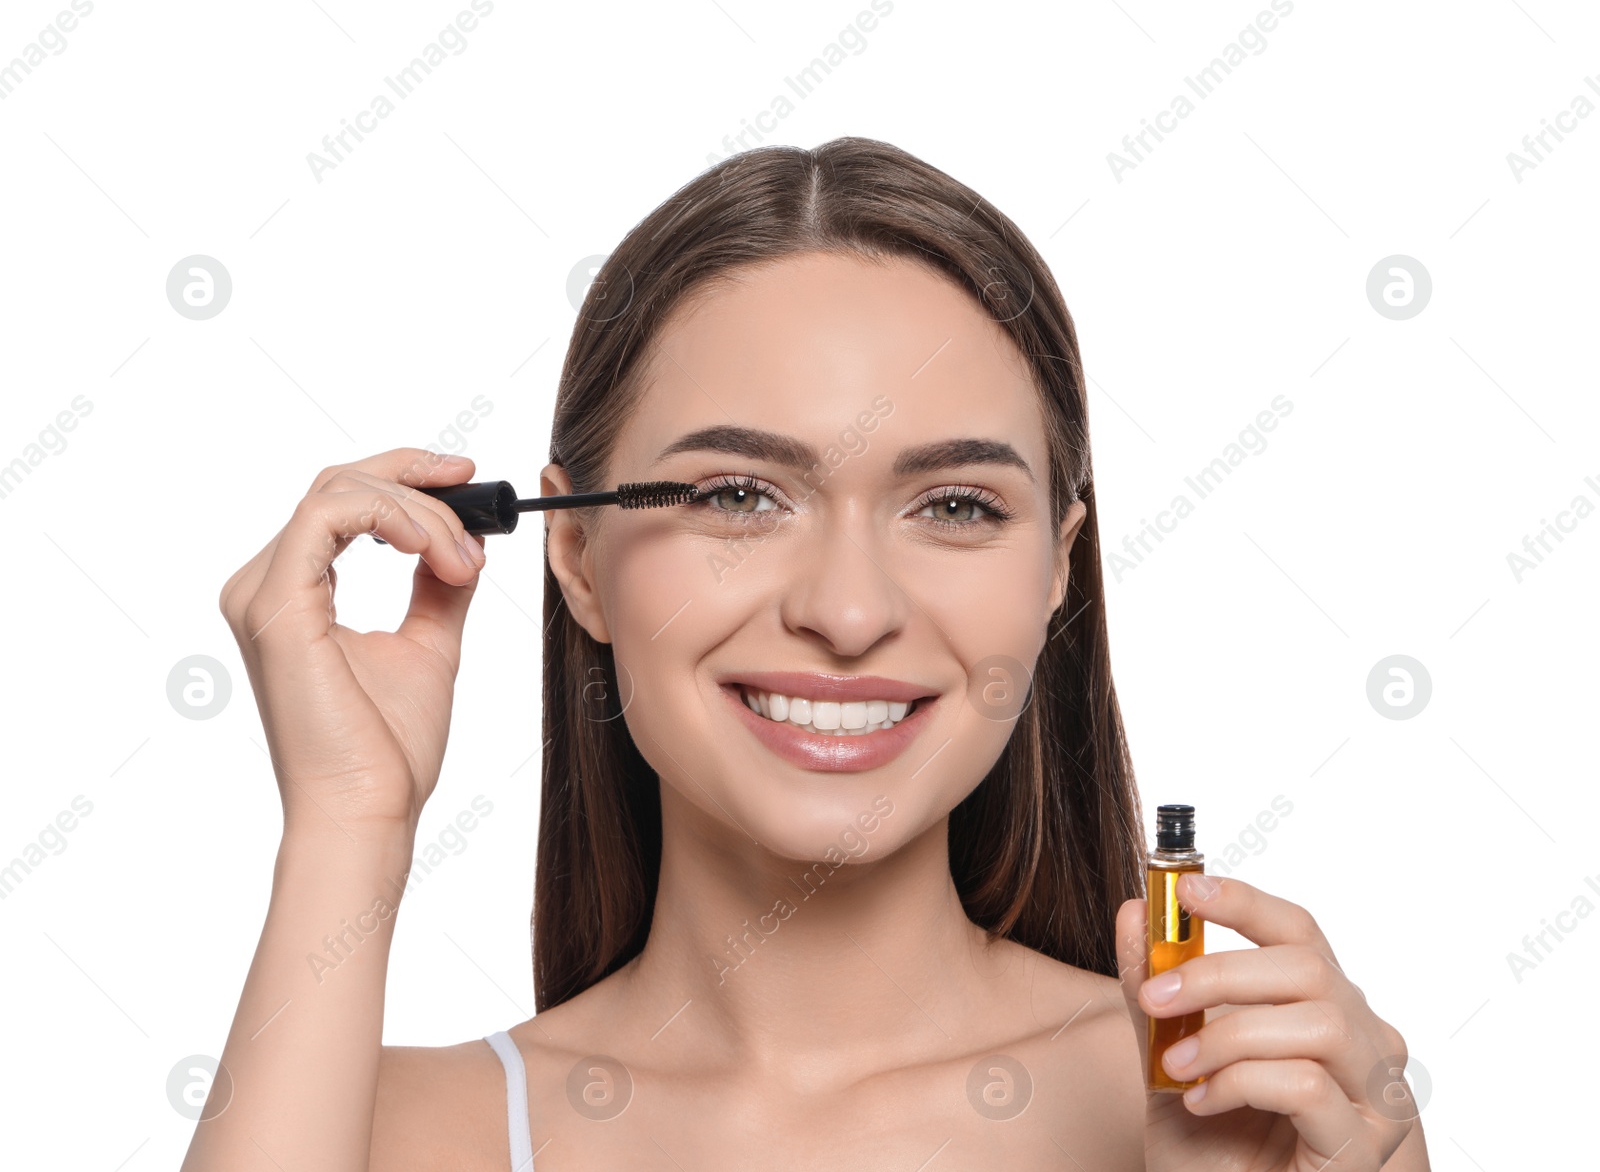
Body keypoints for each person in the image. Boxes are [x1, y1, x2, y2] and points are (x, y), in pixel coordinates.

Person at [186, 138, 1430, 1170]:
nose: (847, 612)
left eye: (953, 506)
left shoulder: (1254, 1120)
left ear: (1056, 567)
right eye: (736, 497)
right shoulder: (400, 1136)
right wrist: (351, 822)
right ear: (575, 561)